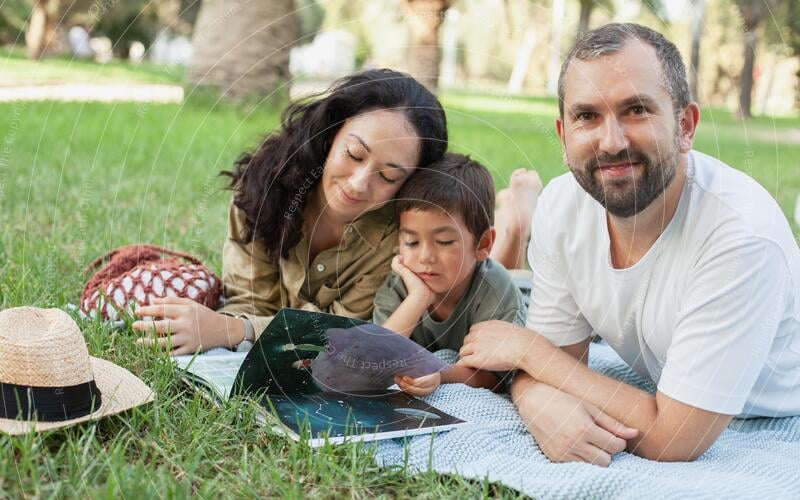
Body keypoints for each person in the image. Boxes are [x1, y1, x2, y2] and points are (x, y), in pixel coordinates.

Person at [458, 23, 800, 465]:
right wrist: (536, 401)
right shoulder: (563, 206)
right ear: (563, 137)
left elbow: (675, 439)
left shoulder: (740, 236)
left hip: (767, 414)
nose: (611, 142)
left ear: (685, 126)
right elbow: (552, 366)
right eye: (587, 116)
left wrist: (528, 351)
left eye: (636, 109)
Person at [133, 69, 537, 355]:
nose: (360, 183)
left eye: (389, 175)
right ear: (331, 132)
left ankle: (514, 223)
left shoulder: (396, 240)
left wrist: (230, 330)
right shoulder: (266, 188)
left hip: (477, 277)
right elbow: (249, 298)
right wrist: (218, 323)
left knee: (476, 280)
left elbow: (345, 332)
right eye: (354, 153)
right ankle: (513, 223)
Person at [372, 153, 532, 395]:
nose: (425, 257)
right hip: (477, 268)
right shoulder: (399, 286)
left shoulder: (498, 293)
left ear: (483, 243)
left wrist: (440, 374)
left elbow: (496, 377)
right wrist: (418, 298)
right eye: (412, 242)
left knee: (507, 271)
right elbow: (376, 357)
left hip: (524, 290)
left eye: (444, 241)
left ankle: (519, 221)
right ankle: (511, 212)